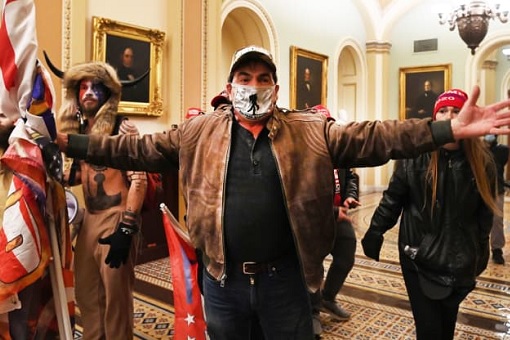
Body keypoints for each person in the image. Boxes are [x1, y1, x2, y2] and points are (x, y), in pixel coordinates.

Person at [55, 46, 510, 339]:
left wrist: (447, 128)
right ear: (230, 85)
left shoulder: (309, 129)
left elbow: (378, 137)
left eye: (262, 78)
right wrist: (68, 141)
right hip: (223, 280)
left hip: (286, 282)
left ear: (276, 86)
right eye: (245, 77)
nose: (254, 86)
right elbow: (134, 148)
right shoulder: (198, 132)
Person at [361, 89, 499, 340]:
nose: (449, 116)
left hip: (458, 261)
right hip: (418, 257)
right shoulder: (415, 156)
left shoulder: (482, 162)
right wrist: (376, 230)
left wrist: (481, 248)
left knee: (445, 327)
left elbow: (484, 213)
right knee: (430, 330)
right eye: (443, 111)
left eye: (456, 111)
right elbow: (393, 197)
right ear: (434, 119)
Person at [58, 61, 147, 339]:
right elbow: (75, 176)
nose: (87, 92)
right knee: (87, 297)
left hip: (117, 218)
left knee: (116, 302)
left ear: (107, 93)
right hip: (89, 222)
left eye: (94, 86)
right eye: (82, 87)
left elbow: (139, 180)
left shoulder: (123, 129)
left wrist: (127, 226)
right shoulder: (80, 134)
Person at [308, 105, 359, 337]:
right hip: (314, 221)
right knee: (312, 266)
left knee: (346, 256)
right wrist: (331, 210)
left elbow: (352, 177)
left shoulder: (338, 150)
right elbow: (302, 196)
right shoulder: (304, 156)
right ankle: (312, 311)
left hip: (339, 217)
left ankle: (328, 298)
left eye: (328, 123)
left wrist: (351, 195)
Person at [484, 133, 509, 264]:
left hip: (496, 189)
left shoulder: (503, 150)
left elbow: (499, 163)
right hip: (479, 189)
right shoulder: (478, 149)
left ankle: (497, 249)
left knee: (497, 220)